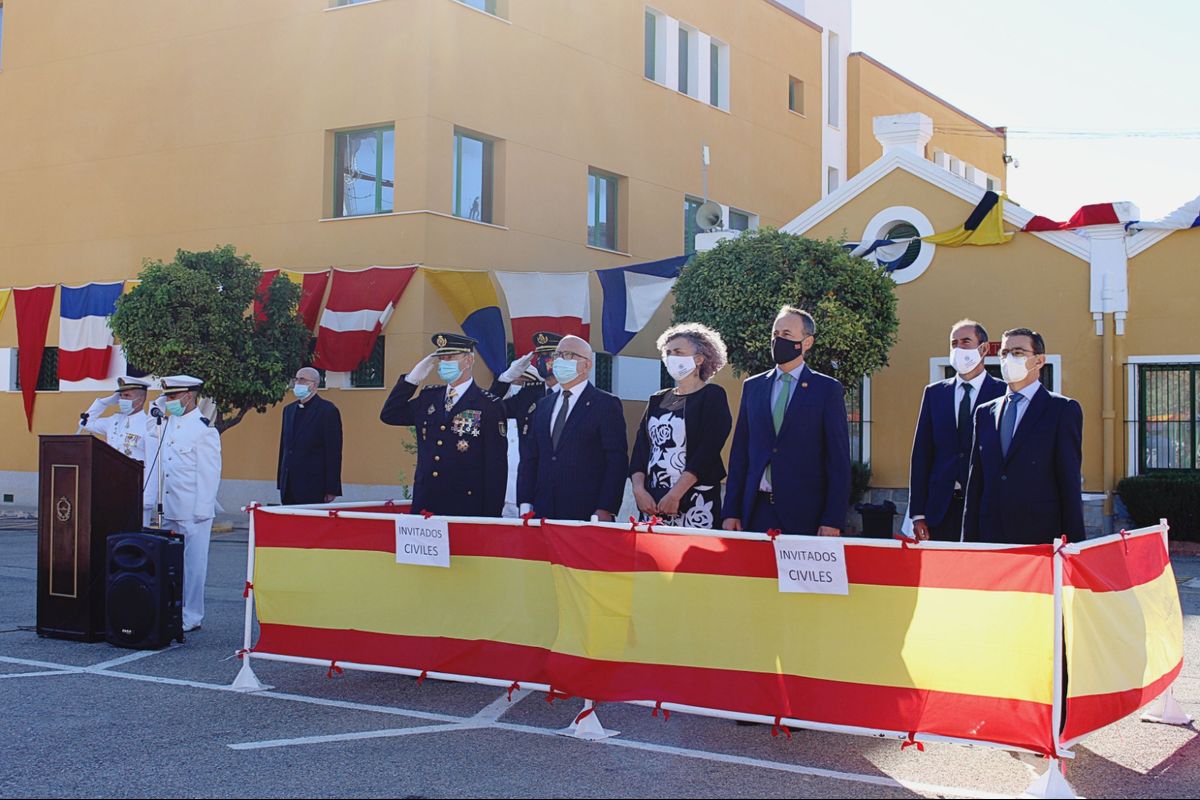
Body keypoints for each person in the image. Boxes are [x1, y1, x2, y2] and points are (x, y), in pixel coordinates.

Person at [722, 306, 850, 536]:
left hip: (805, 515)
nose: (778, 340)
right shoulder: (753, 387)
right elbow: (740, 453)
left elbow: (837, 460)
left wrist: (833, 518)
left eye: (787, 334)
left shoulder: (826, 389)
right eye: (776, 334)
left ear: (807, 342)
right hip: (756, 511)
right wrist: (731, 510)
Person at [963, 328, 1085, 544]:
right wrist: (968, 543)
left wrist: (1074, 547)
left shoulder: (1062, 410)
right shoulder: (984, 413)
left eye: (1018, 353)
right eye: (1004, 353)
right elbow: (976, 483)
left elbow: (1069, 482)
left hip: (1039, 537)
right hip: (990, 535)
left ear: (1039, 361)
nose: (1009, 359)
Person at [380, 332, 507, 517]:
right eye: (441, 358)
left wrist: (491, 516)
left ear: (468, 360)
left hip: (465, 505)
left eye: (450, 357)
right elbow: (390, 414)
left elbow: (495, 466)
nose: (444, 363)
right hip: (426, 502)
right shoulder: (429, 397)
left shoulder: (488, 405)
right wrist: (411, 380)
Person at [907, 320, 1006, 541]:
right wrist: (918, 513)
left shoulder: (1002, 392)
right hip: (941, 509)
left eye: (966, 342)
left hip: (984, 507)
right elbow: (922, 454)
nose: (959, 348)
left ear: (983, 349)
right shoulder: (935, 393)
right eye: (954, 343)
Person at [629, 323, 732, 529]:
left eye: (678, 352)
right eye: (668, 353)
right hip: (653, 502)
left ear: (699, 359)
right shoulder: (657, 399)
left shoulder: (712, 396)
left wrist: (675, 495)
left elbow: (708, 450)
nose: (671, 357)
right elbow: (641, 450)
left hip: (696, 500)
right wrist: (639, 491)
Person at [517, 335, 627, 521]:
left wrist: (606, 508)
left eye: (568, 355)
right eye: (558, 355)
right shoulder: (544, 405)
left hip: (586, 512)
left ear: (587, 365)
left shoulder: (605, 404)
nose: (560, 360)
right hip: (542, 510)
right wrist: (525, 502)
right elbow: (530, 458)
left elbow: (616, 460)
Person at [147, 375, 221, 633]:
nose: (168, 401)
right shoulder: (167, 424)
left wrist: (202, 511)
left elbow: (209, 475)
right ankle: (172, 608)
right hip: (169, 506)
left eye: (173, 396)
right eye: (167, 396)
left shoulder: (204, 430)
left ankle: (192, 614)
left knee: (193, 566)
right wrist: (158, 402)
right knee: (170, 564)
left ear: (189, 396)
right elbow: (151, 433)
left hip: (192, 510)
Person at [489, 331, 562, 516]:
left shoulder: (574, 396)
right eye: (541, 356)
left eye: (550, 355)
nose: (544, 361)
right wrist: (505, 378)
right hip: (524, 491)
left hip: (557, 490)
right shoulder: (529, 395)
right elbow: (491, 409)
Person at [80, 375, 156, 525]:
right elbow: (85, 423)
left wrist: (147, 498)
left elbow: (153, 463)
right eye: (120, 396)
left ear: (140, 400)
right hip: (112, 486)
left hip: (135, 490)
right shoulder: (114, 421)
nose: (122, 400)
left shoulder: (149, 425)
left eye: (127, 396)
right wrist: (104, 402)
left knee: (134, 533)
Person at [277, 366, 343, 505]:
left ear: (313, 385)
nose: (297, 383)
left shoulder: (327, 411)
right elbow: (284, 447)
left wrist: (331, 488)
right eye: (296, 379)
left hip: (313, 484)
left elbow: (333, 451)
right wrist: (281, 479)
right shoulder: (288, 410)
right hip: (289, 483)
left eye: (302, 380)